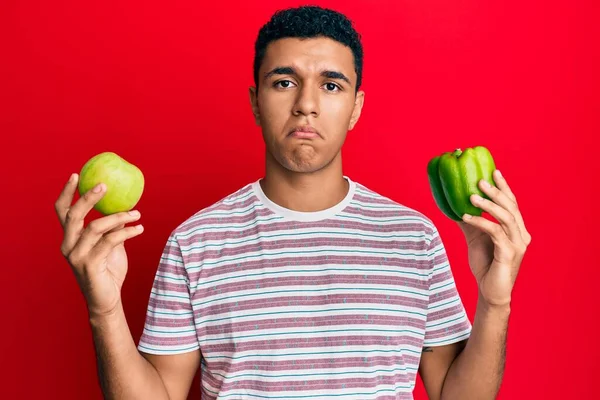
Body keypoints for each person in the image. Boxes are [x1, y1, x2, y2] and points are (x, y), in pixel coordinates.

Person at [54, 5, 531, 400]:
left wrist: (495, 301)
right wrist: (105, 310)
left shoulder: (414, 237)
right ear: (256, 101)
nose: (307, 103)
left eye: (331, 85)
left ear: (356, 107)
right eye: (284, 82)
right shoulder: (196, 241)